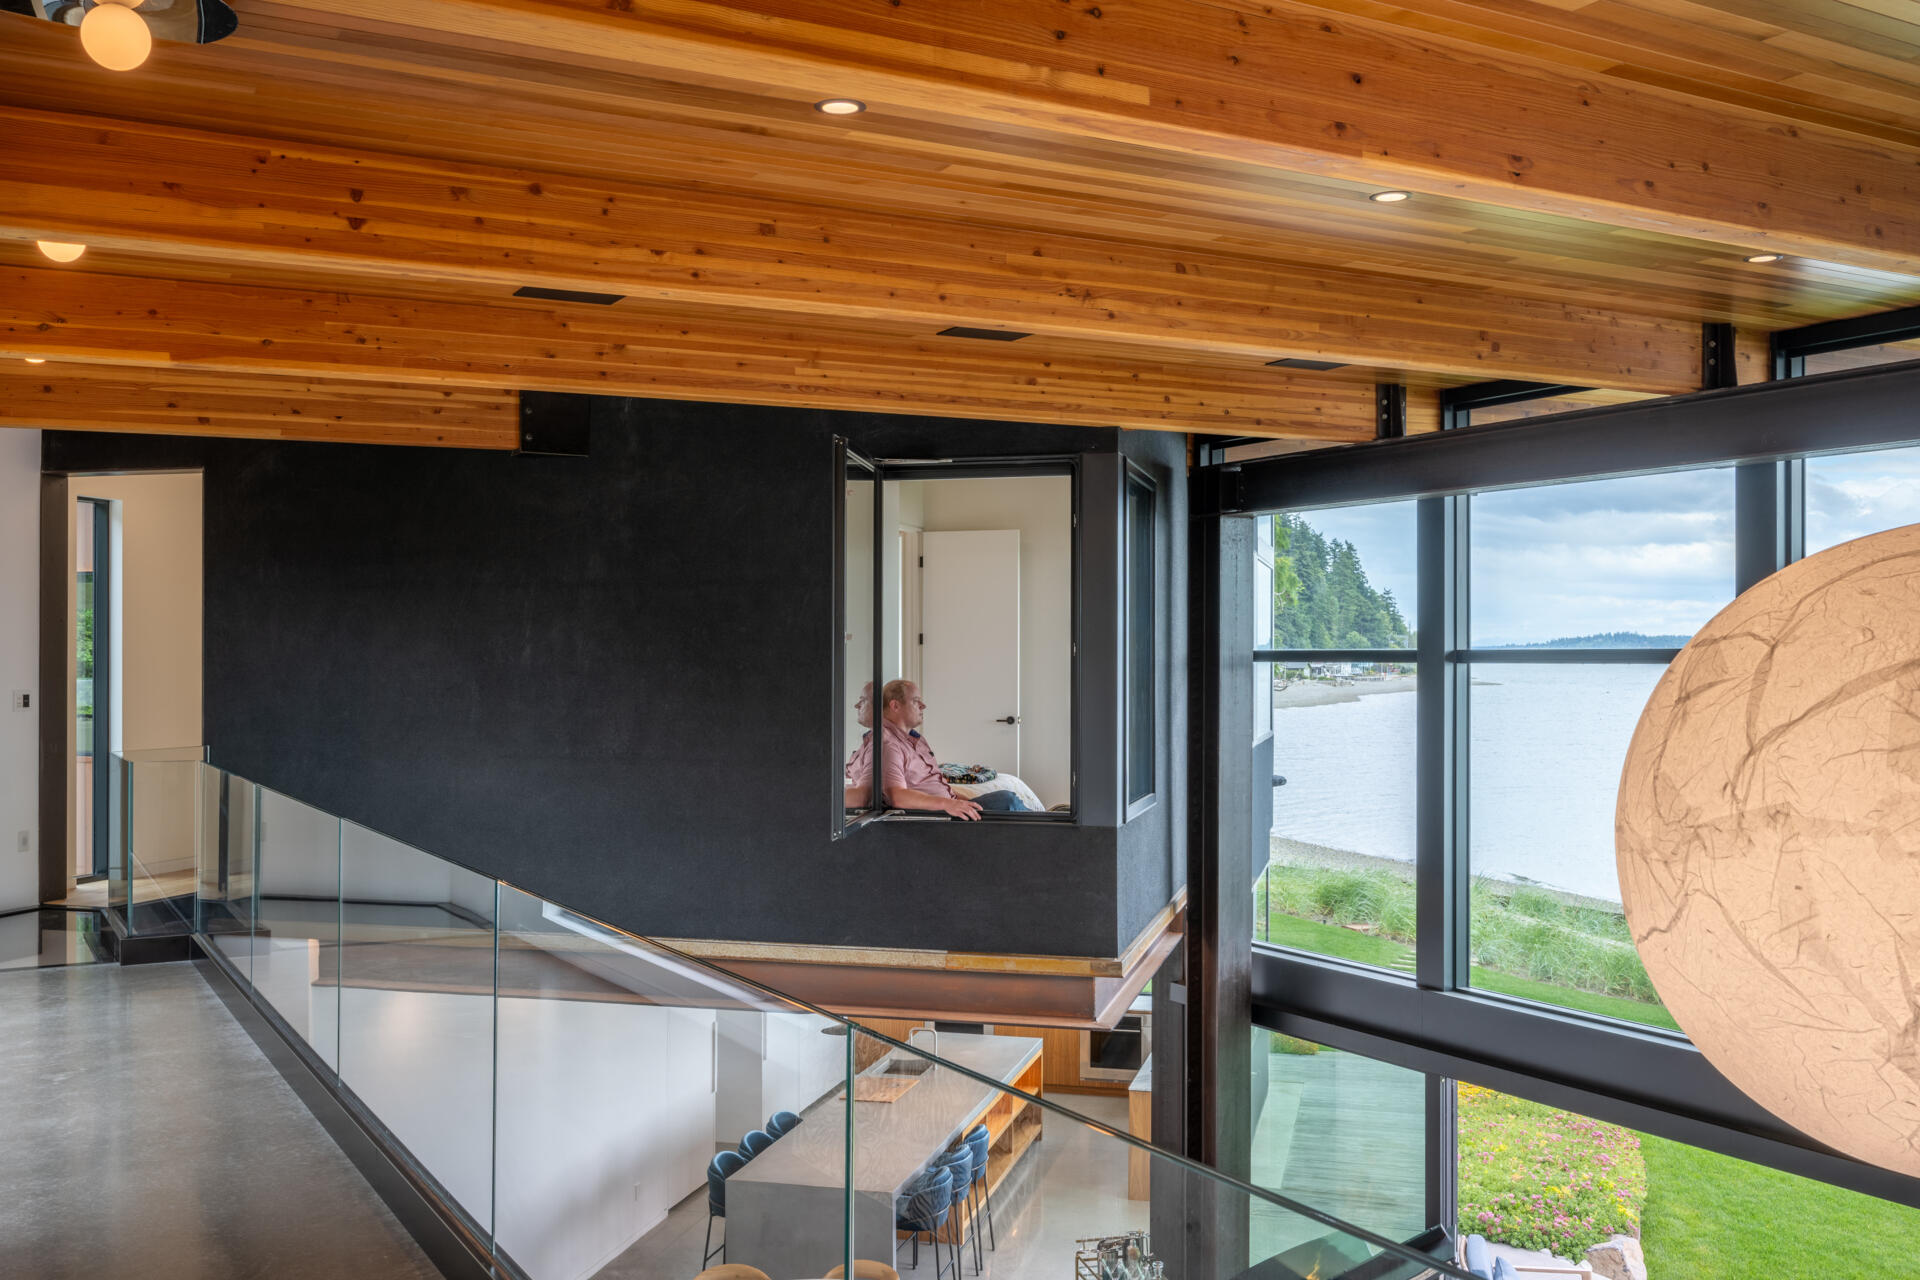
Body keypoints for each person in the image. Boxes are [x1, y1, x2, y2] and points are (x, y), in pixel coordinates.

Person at [876, 679, 1028, 819]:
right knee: (1007, 800)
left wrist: (969, 803)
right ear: (895, 705)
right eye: (916, 701)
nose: (923, 706)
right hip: (935, 818)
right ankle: (1049, 827)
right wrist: (947, 804)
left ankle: (1047, 824)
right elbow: (897, 796)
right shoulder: (888, 744)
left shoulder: (917, 740)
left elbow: (939, 786)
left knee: (1005, 802)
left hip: (950, 810)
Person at [844, 682, 874, 810]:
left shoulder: (881, 746)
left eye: (862, 700)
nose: (857, 705)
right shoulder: (870, 740)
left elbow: (862, 798)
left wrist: (815, 796)